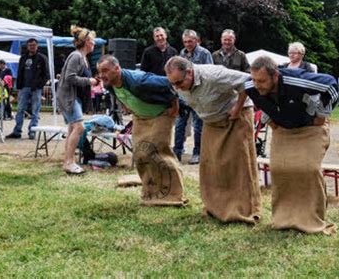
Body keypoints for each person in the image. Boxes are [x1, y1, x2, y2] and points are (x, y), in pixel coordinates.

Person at [246, 56, 338, 234]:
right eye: (255, 79)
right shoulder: (251, 86)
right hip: (284, 130)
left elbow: (330, 85)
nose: (258, 85)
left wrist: (322, 113)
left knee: (308, 169)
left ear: (275, 76)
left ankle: (312, 218)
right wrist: (270, 120)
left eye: (262, 81)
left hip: (310, 127)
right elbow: (258, 101)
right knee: (280, 169)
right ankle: (284, 218)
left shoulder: (297, 80)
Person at [165, 56, 261, 223]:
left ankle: (244, 209)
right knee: (211, 165)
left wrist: (237, 109)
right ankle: (216, 207)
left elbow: (247, 81)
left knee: (238, 165)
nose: (177, 88)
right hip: (211, 121)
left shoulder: (214, 75)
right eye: (173, 84)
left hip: (235, 119)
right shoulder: (180, 82)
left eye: (179, 83)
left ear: (189, 72)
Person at [98, 54, 188, 207]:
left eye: (105, 71)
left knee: (159, 153)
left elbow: (169, 84)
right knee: (141, 153)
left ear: (117, 69)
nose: (102, 75)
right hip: (141, 117)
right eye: (100, 72)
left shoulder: (139, 81)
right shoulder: (109, 84)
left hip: (161, 114)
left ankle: (173, 195)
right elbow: (119, 93)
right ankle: (151, 192)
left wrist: (175, 107)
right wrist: (128, 104)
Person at [57, 25, 98, 174]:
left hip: (75, 97)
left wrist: (92, 81)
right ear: (87, 41)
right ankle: (69, 162)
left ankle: (68, 161)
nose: (94, 43)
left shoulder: (83, 58)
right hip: (68, 97)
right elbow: (69, 78)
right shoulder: (76, 56)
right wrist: (89, 81)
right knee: (79, 128)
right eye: (92, 40)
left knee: (72, 129)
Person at [174, 29, 213, 164]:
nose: (187, 44)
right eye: (185, 42)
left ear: (196, 40)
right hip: (184, 95)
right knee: (179, 125)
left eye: (190, 41)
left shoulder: (204, 53)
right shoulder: (182, 54)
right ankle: (177, 152)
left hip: (199, 95)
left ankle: (197, 153)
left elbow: (210, 73)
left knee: (198, 126)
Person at [6, 38, 49, 139]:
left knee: (35, 111)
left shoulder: (42, 58)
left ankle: (32, 131)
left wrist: (39, 85)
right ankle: (17, 131)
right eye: (30, 45)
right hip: (24, 87)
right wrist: (18, 85)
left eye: (33, 45)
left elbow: (46, 74)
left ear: (37, 46)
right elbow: (19, 72)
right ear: (27, 46)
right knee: (20, 109)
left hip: (36, 88)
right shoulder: (23, 58)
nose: (31, 47)